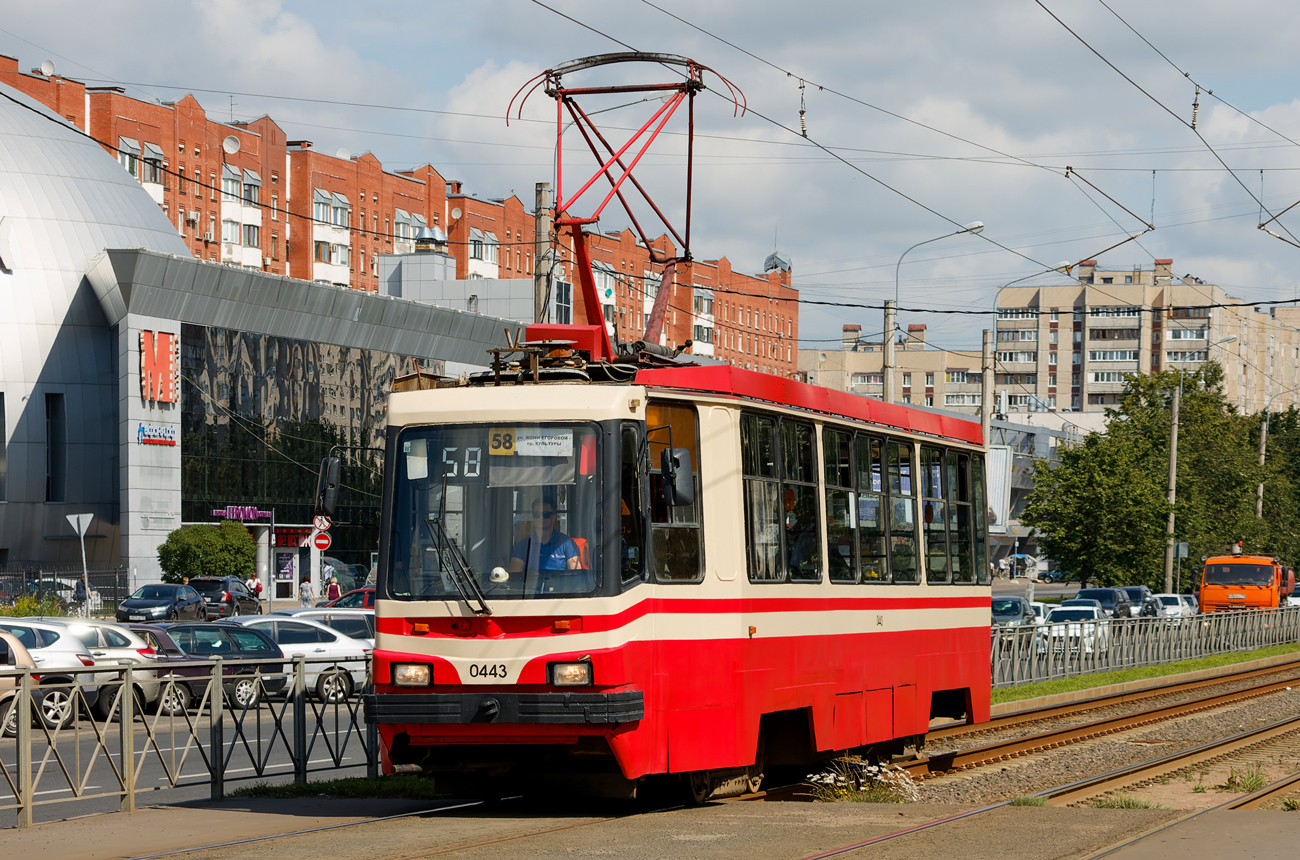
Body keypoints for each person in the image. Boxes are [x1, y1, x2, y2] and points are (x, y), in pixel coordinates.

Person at [508, 500, 581, 584]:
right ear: (533, 518)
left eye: (546, 514)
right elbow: (513, 579)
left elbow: (577, 576)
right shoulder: (523, 545)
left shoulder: (568, 543)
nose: (541, 518)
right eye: (537, 515)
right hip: (530, 593)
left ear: (554, 517)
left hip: (560, 593)